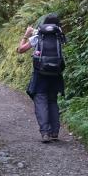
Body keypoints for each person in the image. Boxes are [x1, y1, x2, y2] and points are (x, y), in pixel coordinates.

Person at [16, 13, 66, 143]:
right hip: (56, 74)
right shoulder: (60, 37)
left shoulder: (38, 37)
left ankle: (45, 133)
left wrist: (26, 35)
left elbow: (20, 50)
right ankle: (55, 132)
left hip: (40, 74)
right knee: (52, 101)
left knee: (41, 101)